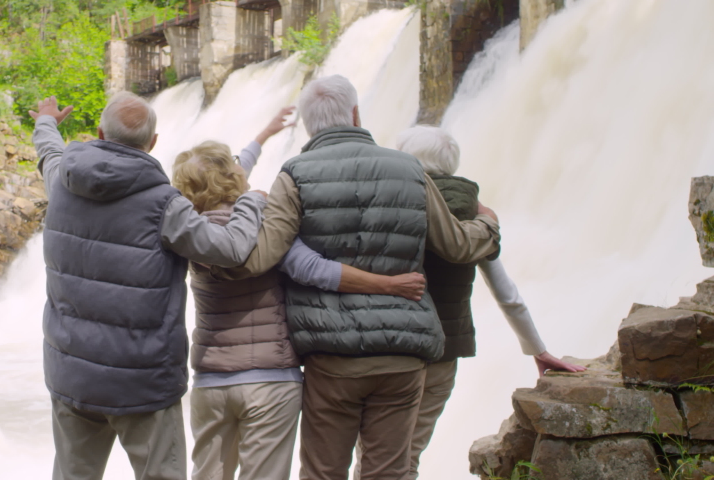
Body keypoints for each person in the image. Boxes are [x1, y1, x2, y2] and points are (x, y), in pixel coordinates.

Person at [209, 75, 501, 480]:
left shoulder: (294, 174)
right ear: (356, 114)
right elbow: (455, 245)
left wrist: (205, 249)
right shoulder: (410, 169)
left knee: (323, 471)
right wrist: (488, 228)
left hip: (332, 357)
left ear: (310, 125)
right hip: (404, 352)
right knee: (388, 472)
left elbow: (262, 256)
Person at [173, 111, 427, 480]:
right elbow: (315, 269)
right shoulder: (266, 224)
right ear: (233, 178)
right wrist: (386, 285)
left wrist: (263, 134)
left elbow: (208, 179)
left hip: (211, 380)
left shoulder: (189, 232)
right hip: (271, 380)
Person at [30, 92, 269, 480]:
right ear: (153, 143)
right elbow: (230, 248)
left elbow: (48, 152)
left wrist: (45, 119)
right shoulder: (165, 205)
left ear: (99, 132)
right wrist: (251, 203)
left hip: (72, 375)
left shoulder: (63, 180)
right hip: (142, 381)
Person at [356, 125, 586, 480]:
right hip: (442, 352)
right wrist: (537, 349)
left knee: (373, 453)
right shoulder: (475, 213)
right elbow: (506, 292)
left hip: (384, 346)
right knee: (407, 455)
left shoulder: (385, 196)